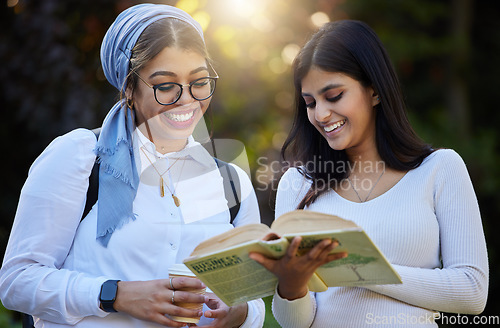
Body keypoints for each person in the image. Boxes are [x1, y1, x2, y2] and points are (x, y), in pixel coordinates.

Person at [0, 4, 264, 328]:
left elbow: (251, 298)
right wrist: (116, 295)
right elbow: (17, 281)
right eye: (165, 85)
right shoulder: (81, 157)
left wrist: (238, 313)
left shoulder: (230, 181)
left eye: (200, 81)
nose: (187, 99)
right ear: (129, 87)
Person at [249, 20, 488, 327]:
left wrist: (359, 268)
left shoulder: (440, 169)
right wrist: (292, 286)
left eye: (334, 96)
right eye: (310, 103)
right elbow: (295, 323)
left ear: (374, 91)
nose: (320, 114)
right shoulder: (298, 184)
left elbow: (472, 291)